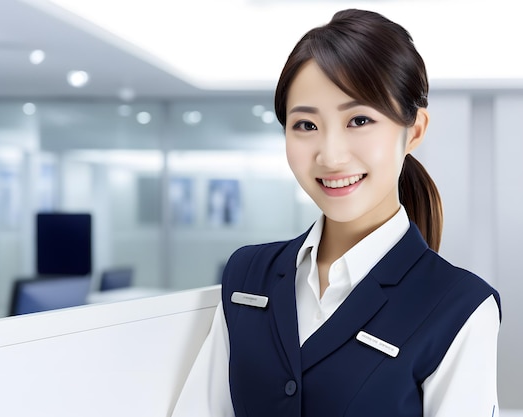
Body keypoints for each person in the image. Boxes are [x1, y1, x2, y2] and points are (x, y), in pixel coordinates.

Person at [174, 8, 501, 417]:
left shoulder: (460, 306)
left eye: (359, 120)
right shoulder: (247, 275)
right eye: (306, 126)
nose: (330, 155)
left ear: (413, 131)